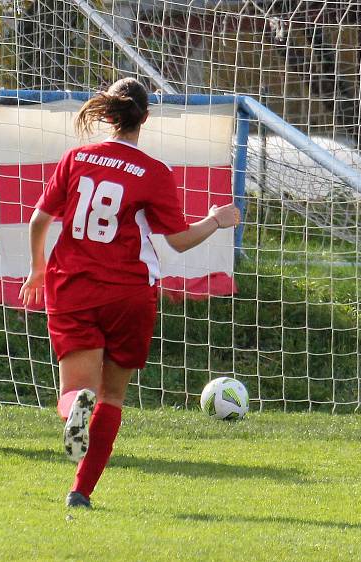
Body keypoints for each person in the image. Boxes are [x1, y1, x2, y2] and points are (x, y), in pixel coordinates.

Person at [19, 77, 241, 509]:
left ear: (106, 114)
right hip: (129, 294)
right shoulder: (155, 173)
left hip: (72, 286)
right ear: (146, 117)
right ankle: (80, 492)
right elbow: (177, 241)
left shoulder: (76, 157)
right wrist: (215, 219)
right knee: (113, 396)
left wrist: (38, 268)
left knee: (74, 393)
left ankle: (72, 410)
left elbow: (37, 221)